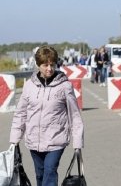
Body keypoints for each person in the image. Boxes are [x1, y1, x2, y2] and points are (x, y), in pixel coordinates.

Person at [9, 45, 84, 186]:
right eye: (45, 65)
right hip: (33, 141)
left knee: (50, 171)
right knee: (40, 174)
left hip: (56, 140)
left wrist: (77, 143)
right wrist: (14, 140)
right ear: (38, 65)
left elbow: (75, 115)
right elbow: (20, 114)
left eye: (52, 64)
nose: (49, 68)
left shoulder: (64, 86)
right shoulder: (29, 86)